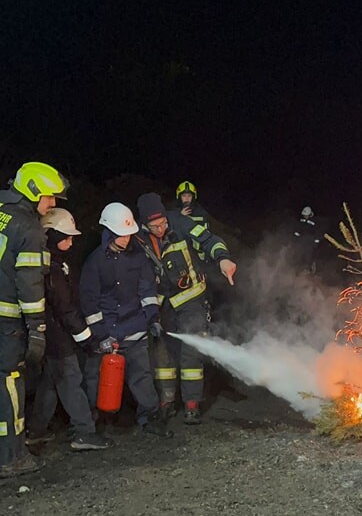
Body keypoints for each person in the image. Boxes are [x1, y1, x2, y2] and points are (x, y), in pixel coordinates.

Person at [136, 193, 236, 424]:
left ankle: (192, 404)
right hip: (160, 304)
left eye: (163, 223)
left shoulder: (181, 222)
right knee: (162, 353)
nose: (160, 229)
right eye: (154, 226)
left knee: (191, 351)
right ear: (144, 224)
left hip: (191, 299)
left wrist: (223, 259)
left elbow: (209, 240)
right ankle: (166, 401)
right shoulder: (137, 238)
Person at [0, 161, 68, 478]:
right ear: (32, 192)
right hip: (7, 322)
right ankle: (12, 457)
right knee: (9, 384)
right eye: (49, 196)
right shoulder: (29, 229)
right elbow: (29, 285)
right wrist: (37, 329)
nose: (52, 203)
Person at [79, 203, 170, 437]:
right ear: (108, 232)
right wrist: (101, 335)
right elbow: (89, 302)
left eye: (129, 234)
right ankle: (91, 425)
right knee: (95, 379)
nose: (126, 239)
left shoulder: (138, 258)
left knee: (142, 377)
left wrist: (153, 318)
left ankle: (150, 418)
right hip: (106, 333)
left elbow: (147, 290)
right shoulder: (95, 262)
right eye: (121, 235)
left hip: (135, 328)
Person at [27, 209, 112, 451]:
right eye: (66, 237)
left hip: (52, 335)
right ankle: (84, 432)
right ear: (52, 236)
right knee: (71, 380)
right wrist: (87, 339)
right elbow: (66, 310)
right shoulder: (51, 270)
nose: (71, 242)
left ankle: (36, 431)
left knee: (51, 382)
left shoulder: (54, 264)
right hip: (58, 337)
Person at [292, 206, 321, 273]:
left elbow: (318, 232)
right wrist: (296, 237)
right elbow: (297, 229)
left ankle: (308, 269)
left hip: (310, 242)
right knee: (300, 254)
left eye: (306, 215)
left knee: (308, 255)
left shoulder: (315, 221)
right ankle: (300, 269)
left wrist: (316, 241)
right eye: (304, 215)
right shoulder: (301, 220)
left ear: (309, 214)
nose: (305, 216)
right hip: (302, 241)